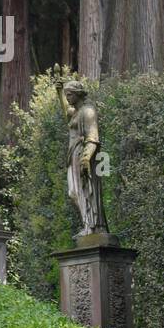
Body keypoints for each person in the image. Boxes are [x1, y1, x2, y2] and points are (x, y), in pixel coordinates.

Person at [54, 73, 110, 238]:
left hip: (83, 156)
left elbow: (93, 138)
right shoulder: (76, 112)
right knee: (74, 192)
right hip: (73, 155)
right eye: (66, 95)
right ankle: (87, 224)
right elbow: (67, 111)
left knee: (85, 190)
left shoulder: (88, 111)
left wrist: (86, 159)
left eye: (69, 95)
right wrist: (59, 93)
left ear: (78, 94)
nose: (68, 98)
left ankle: (91, 226)